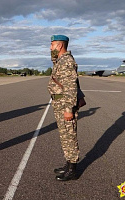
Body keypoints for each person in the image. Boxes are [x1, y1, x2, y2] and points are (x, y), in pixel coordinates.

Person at [47, 35, 81, 181]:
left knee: (69, 136)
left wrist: (68, 109)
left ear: (60, 46)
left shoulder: (66, 61)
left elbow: (70, 87)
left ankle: (72, 170)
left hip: (64, 105)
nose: (50, 48)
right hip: (60, 104)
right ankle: (68, 165)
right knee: (65, 137)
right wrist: (54, 58)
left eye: (52, 45)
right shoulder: (60, 60)